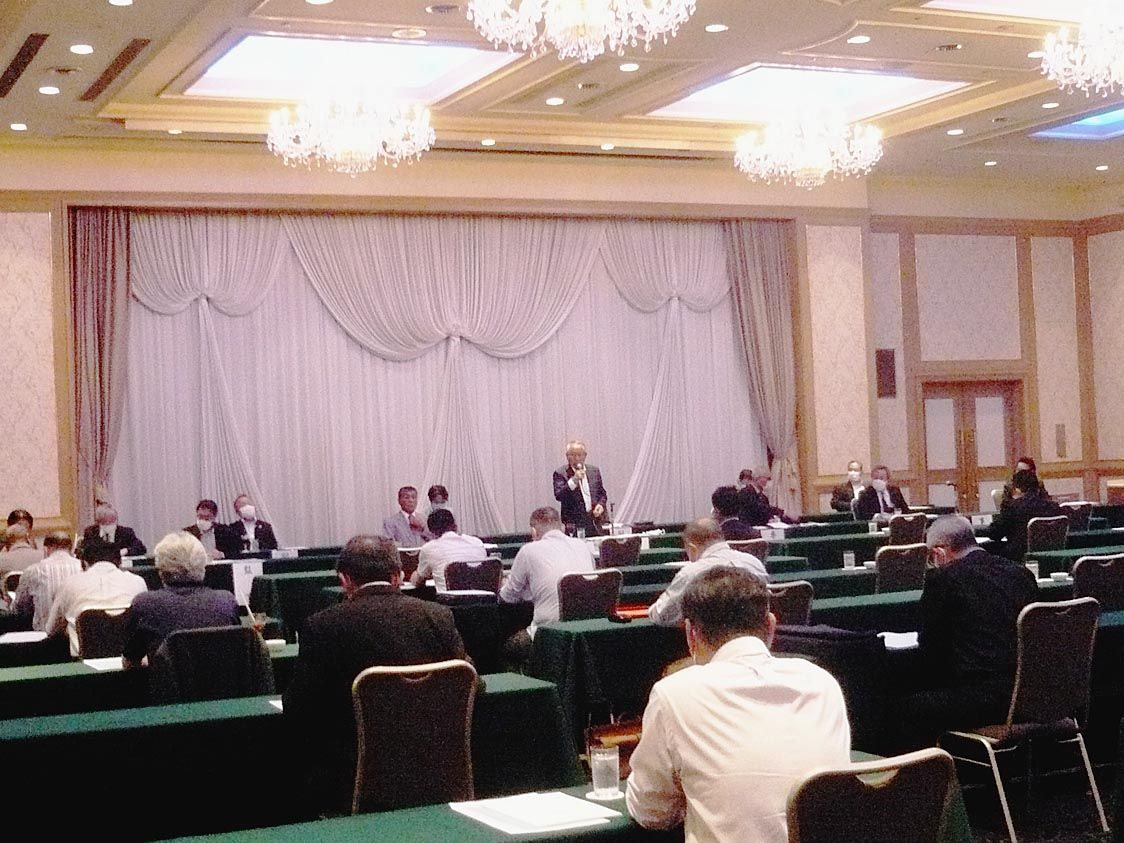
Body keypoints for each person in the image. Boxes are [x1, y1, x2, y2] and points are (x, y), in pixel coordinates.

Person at [627, 567, 850, 842]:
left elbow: (652, 812)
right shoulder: (822, 682)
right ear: (771, 625)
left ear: (690, 635)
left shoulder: (673, 693)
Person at [283, 534, 466, 815]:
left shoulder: (322, 626)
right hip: (440, 775)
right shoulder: (438, 616)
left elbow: (299, 708)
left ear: (344, 580)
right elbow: (471, 684)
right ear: (398, 576)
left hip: (354, 781)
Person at [895, 515, 1038, 750]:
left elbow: (932, 649)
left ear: (939, 553)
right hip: (1034, 695)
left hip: (987, 701)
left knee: (905, 707)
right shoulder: (1020, 573)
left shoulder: (943, 579)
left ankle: (934, 773)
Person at [121, 531, 241, 668]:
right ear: (203, 565)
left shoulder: (145, 604)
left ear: (160, 569)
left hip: (167, 681)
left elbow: (129, 662)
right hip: (220, 681)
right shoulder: (226, 602)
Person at [648, 517, 767, 627]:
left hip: (712, 638)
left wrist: (653, 610)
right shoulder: (754, 563)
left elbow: (662, 615)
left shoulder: (691, 573)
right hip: (755, 636)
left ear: (692, 548)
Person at [499, 506, 595, 636]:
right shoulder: (583, 546)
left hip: (548, 633)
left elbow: (507, 597)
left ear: (534, 531)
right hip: (587, 629)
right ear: (561, 527)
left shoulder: (528, 551)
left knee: (511, 644)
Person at [45, 542, 147, 656]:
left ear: (84, 563)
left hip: (82, 662)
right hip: (131, 661)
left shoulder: (69, 584)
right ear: (120, 562)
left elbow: (51, 629)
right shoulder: (138, 582)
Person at [987, 469, 1065, 562]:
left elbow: (995, 534)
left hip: (1018, 558)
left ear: (1017, 489)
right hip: (1052, 557)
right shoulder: (1054, 507)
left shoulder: (1013, 507)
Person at [12, 530, 83, 631]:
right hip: (76, 635)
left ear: (46, 549)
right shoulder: (83, 568)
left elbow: (20, 607)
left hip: (43, 636)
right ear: (71, 549)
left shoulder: (34, 571)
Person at [411, 508, 488, 591]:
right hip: (485, 597)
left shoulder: (429, 548)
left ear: (432, 531)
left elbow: (418, 582)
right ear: (455, 525)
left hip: (449, 598)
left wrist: (414, 576)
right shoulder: (477, 542)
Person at [552, 440, 608, 536]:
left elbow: (602, 494)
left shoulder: (594, 471)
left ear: (585, 455)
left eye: (579, 455)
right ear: (567, 456)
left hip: (594, 521)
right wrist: (574, 480)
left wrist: (601, 505)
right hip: (574, 524)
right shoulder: (560, 473)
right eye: (573, 455)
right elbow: (559, 496)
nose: (577, 458)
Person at [79, 503, 147, 559]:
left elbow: (141, 548)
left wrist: (126, 551)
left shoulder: (126, 532)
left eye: (112, 522)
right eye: (105, 523)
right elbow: (84, 551)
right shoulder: (91, 532)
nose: (109, 525)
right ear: (98, 522)